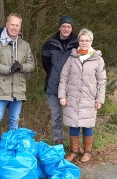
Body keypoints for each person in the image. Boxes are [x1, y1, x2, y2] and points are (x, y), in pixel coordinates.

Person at [58, 28, 107, 163]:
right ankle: (74, 151)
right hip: (72, 98)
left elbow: (102, 81)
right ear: (78, 41)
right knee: (73, 125)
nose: (84, 42)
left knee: (87, 126)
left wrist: (100, 99)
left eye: (87, 40)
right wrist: (62, 95)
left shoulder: (98, 60)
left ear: (91, 41)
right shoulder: (72, 58)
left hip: (89, 99)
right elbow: (63, 77)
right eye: (82, 40)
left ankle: (87, 152)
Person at [0, 13, 35, 137]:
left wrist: (22, 67)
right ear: (7, 25)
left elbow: (31, 64)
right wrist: (8, 69)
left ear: (20, 27)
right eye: (12, 24)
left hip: (18, 90)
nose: (14, 27)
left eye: (17, 25)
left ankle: (9, 149)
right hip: (1, 88)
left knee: (14, 121)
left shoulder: (25, 45)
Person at [41, 15, 78, 145]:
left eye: (69, 26)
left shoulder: (77, 43)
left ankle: (75, 144)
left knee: (73, 116)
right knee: (56, 116)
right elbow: (45, 63)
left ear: (72, 28)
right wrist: (54, 73)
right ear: (59, 27)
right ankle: (59, 142)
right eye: (64, 26)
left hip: (71, 87)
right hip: (52, 87)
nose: (66, 29)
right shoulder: (50, 43)